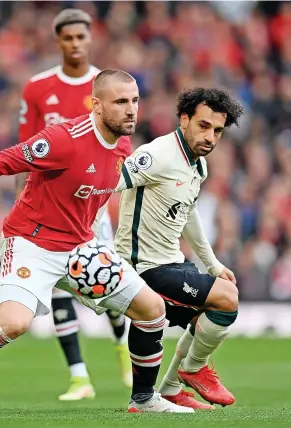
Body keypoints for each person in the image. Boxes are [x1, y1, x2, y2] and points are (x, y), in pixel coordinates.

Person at [0, 69, 194, 415]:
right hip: (30, 244)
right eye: (121, 102)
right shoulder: (64, 139)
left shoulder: (123, 143)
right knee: (13, 324)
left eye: (135, 101)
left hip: (81, 247)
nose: (131, 110)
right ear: (96, 105)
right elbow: (5, 161)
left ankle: (143, 399)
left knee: (152, 310)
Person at [16, 9, 131, 400]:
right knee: (60, 289)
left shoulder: (107, 86)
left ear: (90, 38)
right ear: (59, 41)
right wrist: (23, 199)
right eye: (68, 38)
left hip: (91, 206)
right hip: (48, 207)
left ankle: (123, 350)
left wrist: (104, 200)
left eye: (82, 37)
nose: (76, 44)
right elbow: (24, 151)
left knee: (106, 280)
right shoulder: (36, 87)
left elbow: (119, 148)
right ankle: (79, 377)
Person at [115, 87, 244, 409]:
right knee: (227, 300)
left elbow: (188, 212)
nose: (211, 137)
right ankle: (194, 369)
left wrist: (211, 263)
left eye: (217, 130)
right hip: (141, 267)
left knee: (209, 313)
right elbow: (107, 184)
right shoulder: (156, 155)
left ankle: (171, 389)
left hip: (172, 260)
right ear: (184, 119)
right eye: (203, 126)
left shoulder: (198, 165)